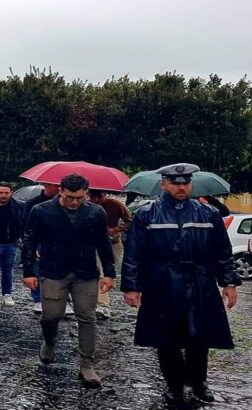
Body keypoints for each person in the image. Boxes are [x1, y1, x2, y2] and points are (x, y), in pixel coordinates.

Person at [121, 163, 240, 404]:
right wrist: (132, 286)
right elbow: (134, 253)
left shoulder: (208, 214)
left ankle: (199, 382)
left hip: (200, 281)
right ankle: (174, 384)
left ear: (191, 184)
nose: (181, 187)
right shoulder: (147, 214)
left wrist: (228, 282)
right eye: (175, 183)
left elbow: (222, 251)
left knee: (200, 336)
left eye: (185, 182)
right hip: (161, 282)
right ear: (163, 184)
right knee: (166, 338)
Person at [22, 174, 115, 388]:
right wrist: (28, 271)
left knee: (87, 316)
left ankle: (87, 363)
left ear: (86, 194)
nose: (75, 202)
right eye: (71, 197)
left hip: (85, 272)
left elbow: (104, 243)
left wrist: (109, 273)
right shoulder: (41, 210)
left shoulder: (95, 212)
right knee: (51, 316)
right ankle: (50, 340)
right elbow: (29, 241)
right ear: (61, 191)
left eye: (80, 198)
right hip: (53, 270)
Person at [88, 190, 132, 319]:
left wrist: (116, 229)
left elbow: (130, 221)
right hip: (95, 244)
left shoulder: (116, 205)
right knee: (100, 272)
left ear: (104, 194)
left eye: (99, 196)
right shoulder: (86, 206)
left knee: (108, 272)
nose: (95, 200)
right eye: (92, 196)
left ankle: (99, 300)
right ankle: (102, 304)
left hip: (114, 242)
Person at [0, 182, 24, 310]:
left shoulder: (19, 206)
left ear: (11, 193)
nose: (3, 195)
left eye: (6, 193)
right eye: (1, 192)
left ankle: (7, 293)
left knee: (8, 270)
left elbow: (23, 224)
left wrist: (20, 237)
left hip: (10, 242)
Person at [23, 183, 60, 313]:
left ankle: (64, 299)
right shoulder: (33, 204)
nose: (57, 188)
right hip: (38, 240)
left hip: (58, 240)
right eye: (54, 185)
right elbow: (27, 225)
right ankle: (38, 298)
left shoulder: (64, 203)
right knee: (37, 268)